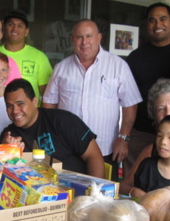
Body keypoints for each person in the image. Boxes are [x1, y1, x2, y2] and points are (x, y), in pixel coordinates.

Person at [42, 19, 141, 180]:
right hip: (67, 150)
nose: (84, 42)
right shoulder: (61, 68)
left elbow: (130, 105)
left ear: (99, 38)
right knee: (69, 196)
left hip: (106, 149)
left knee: (102, 198)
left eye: (89, 36)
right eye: (79, 37)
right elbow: (48, 106)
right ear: (72, 40)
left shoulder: (118, 66)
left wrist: (123, 138)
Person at [0, 78, 104, 178]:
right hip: (36, 193)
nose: (14, 111)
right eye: (9, 106)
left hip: (77, 189)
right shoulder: (8, 137)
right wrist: (5, 151)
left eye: (20, 104)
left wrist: (93, 192)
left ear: (34, 101)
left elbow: (93, 156)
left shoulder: (63, 120)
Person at [125, 2, 170, 170]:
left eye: (163, 19)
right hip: (143, 131)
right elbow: (128, 99)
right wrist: (125, 135)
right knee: (136, 178)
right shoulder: (136, 57)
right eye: (152, 20)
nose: (158, 24)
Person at [0, 10, 53, 106]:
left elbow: (48, 95)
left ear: (26, 32)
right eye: (11, 24)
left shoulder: (39, 57)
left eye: (20, 26)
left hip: (28, 118)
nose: (15, 28)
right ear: (4, 28)